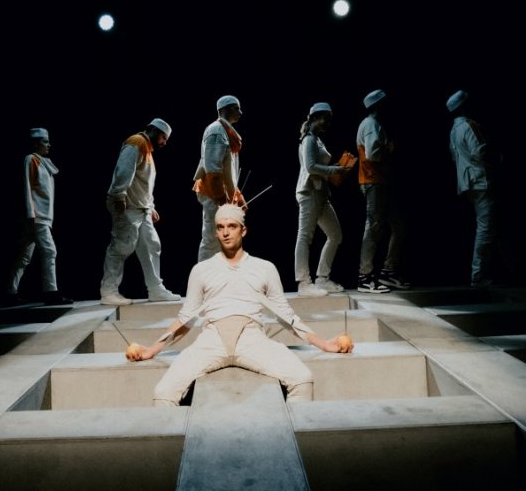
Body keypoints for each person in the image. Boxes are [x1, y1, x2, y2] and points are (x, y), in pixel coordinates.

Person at [127, 203, 353, 406]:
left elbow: (285, 315)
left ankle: (293, 438)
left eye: (232, 226)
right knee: (163, 392)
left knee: (302, 379)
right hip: (211, 339)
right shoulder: (201, 270)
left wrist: (324, 344)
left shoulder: (265, 268)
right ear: (215, 231)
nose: (225, 232)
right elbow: (186, 318)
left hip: (251, 338)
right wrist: (152, 349)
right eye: (220, 227)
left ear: (243, 230)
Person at [99, 119, 182, 305]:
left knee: (152, 245)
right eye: (163, 137)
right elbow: (124, 171)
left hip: (141, 208)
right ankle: (108, 291)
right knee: (121, 246)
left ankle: (155, 289)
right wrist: (119, 196)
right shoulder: (136, 143)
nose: (164, 142)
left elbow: (143, 184)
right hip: (127, 205)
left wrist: (150, 206)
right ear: (152, 130)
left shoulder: (147, 150)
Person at [6, 127, 73, 305]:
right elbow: (26, 187)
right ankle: (51, 292)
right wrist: (31, 213)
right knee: (50, 251)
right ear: (35, 144)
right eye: (45, 142)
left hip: (40, 216)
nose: (48, 145)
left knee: (24, 256)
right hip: (37, 216)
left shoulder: (43, 163)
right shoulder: (31, 159)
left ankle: (10, 293)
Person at [294, 102, 353, 297]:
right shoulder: (309, 139)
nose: (328, 123)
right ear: (314, 118)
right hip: (309, 192)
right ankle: (304, 282)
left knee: (335, 235)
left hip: (321, 193)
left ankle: (322, 279)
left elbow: (319, 166)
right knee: (305, 236)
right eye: (325, 119)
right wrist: (333, 170)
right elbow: (310, 167)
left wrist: (335, 168)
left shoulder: (317, 139)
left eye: (329, 120)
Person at [355, 89, 410, 294]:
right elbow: (372, 154)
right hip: (373, 181)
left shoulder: (374, 124)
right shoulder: (371, 124)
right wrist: (388, 148)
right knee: (373, 227)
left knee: (398, 225)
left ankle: (388, 271)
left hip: (381, 181)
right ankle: (365, 276)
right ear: (378, 106)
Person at [447, 90, 503, 288]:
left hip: (467, 183)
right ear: (463, 106)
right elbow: (480, 152)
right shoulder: (469, 126)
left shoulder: (453, 131)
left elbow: (454, 157)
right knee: (486, 228)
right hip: (481, 181)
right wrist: (497, 159)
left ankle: (500, 270)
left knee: (490, 227)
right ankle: (478, 275)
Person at [192, 94, 246, 262]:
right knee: (211, 239)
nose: (240, 112)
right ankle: (202, 278)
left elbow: (228, 173)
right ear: (226, 109)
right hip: (214, 194)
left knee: (223, 240)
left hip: (221, 195)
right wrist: (222, 202)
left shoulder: (226, 132)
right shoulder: (216, 131)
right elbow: (213, 172)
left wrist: (237, 197)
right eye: (236, 108)